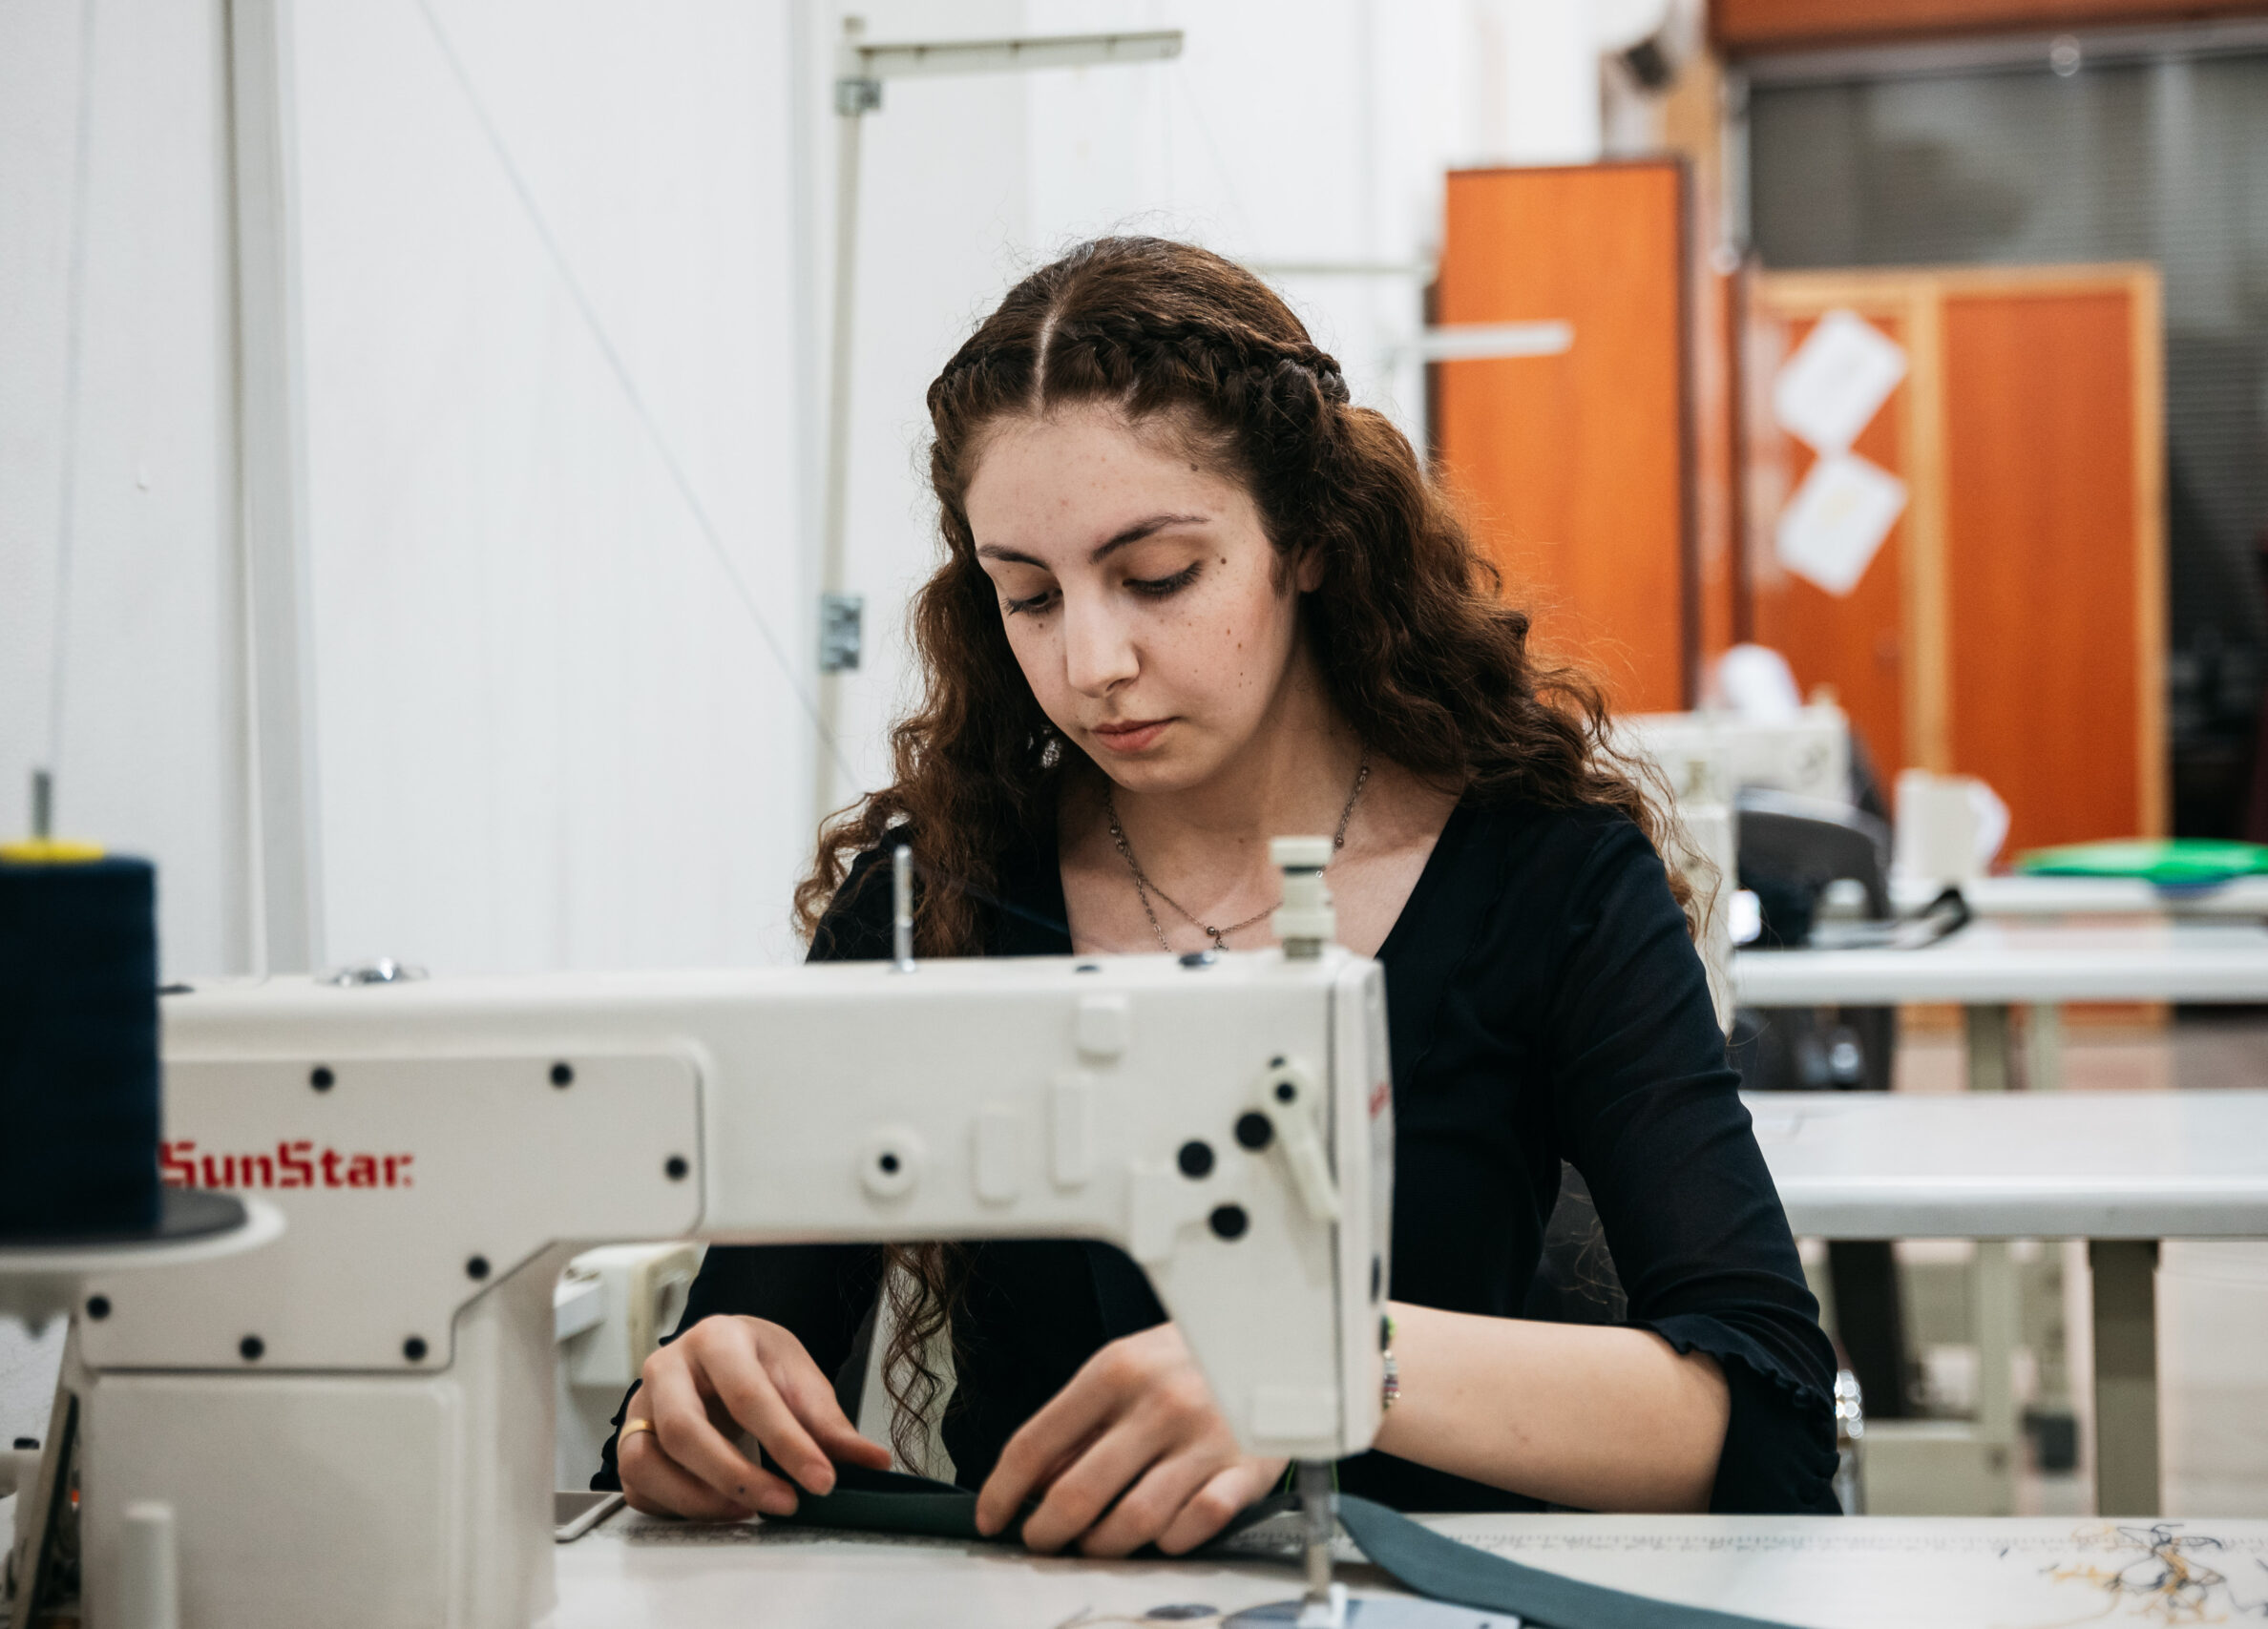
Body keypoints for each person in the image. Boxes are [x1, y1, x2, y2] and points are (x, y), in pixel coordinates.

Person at [597, 237, 1840, 1554]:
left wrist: (1332, 1358)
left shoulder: (1546, 879)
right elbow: (737, 1356)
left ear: (1305, 538)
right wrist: (688, 1408)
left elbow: (1760, 1414)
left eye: (1158, 578)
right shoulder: (938, 902)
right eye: (1026, 596)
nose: (1092, 662)